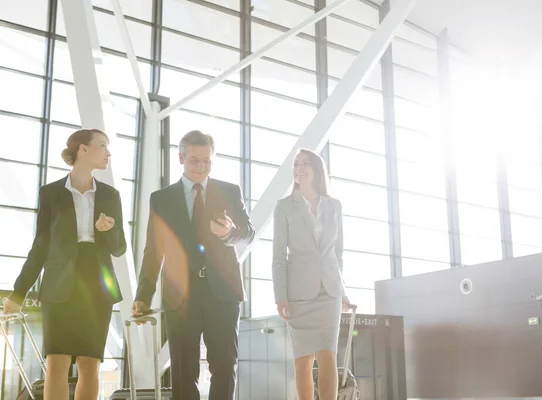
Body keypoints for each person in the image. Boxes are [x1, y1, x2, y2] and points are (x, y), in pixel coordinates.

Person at [2, 129, 126, 400]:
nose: (108, 152)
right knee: (56, 363)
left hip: (96, 285)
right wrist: (19, 292)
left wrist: (108, 230)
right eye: (102, 145)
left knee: (89, 364)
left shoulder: (110, 195)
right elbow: (41, 246)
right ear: (83, 149)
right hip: (59, 286)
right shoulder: (51, 193)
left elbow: (119, 248)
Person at [132, 130, 254, 400]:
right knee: (183, 371)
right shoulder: (161, 199)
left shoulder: (230, 191)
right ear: (181, 158)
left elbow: (248, 233)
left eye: (207, 161)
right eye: (194, 160)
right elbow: (154, 250)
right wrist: (143, 295)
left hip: (222, 293)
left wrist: (230, 233)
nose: (201, 167)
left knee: (224, 366)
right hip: (180, 296)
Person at [272, 148, 351, 400]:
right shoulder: (284, 207)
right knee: (302, 361)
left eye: (305, 162)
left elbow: (337, 257)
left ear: (317, 168)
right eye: (296, 163)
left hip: (329, 293)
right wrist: (280, 296)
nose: (299, 167)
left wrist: (343, 291)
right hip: (298, 295)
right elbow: (278, 257)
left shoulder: (335, 206)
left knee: (328, 355)